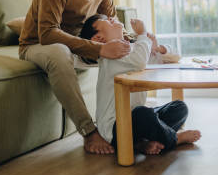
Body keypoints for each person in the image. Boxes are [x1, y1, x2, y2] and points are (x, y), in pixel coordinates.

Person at [19, 0, 141, 154]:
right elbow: (47, 33)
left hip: (77, 47)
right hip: (39, 45)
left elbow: (112, 23)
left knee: (125, 50)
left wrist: (139, 42)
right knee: (59, 52)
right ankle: (89, 131)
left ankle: (136, 125)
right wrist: (100, 48)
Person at [79, 15, 201, 155]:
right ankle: (174, 139)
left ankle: (142, 143)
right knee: (143, 114)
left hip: (134, 121)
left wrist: (158, 48)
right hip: (115, 128)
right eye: (107, 21)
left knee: (179, 107)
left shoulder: (132, 50)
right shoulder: (109, 57)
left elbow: (175, 57)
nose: (112, 18)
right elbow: (140, 61)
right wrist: (142, 34)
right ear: (99, 39)